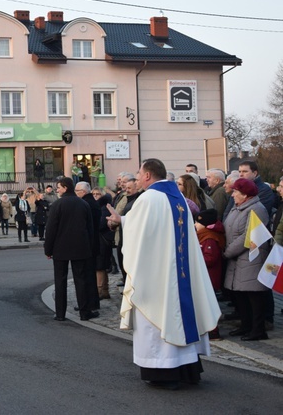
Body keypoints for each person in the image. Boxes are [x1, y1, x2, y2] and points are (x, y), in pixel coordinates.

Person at [106, 158, 220, 390]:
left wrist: (121, 223)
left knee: (156, 321)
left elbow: (141, 232)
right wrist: (125, 219)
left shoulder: (148, 198)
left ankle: (164, 372)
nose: (137, 178)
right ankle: (188, 370)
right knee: (179, 316)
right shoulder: (177, 197)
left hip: (158, 275)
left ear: (148, 175)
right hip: (180, 273)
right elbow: (155, 226)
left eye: (139, 173)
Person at [223, 178, 270, 341]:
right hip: (238, 259)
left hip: (250, 258)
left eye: (236, 191)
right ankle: (246, 326)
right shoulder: (237, 208)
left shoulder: (256, 209)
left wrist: (228, 251)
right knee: (241, 295)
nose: (233, 195)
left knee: (254, 296)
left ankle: (258, 330)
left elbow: (248, 236)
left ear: (245, 195)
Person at [45, 177, 97, 321]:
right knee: (81, 280)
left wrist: (48, 249)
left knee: (60, 281)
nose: (57, 189)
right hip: (81, 248)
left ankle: (60, 313)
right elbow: (90, 228)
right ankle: (84, 312)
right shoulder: (83, 204)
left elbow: (51, 230)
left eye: (59, 187)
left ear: (66, 187)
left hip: (60, 248)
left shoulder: (57, 205)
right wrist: (90, 246)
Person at [195, 209, 224, 340]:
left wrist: (195, 259)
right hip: (205, 277)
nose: (195, 224)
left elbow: (210, 259)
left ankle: (213, 331)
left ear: (205, 224)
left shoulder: (209, 238)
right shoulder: (203, 235)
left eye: (197, 222)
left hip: (210, 278)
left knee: (209, 305)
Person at [75, 181, 101, 312]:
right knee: (89, 275)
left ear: (83, 192)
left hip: (89, 244)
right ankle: (92, 302)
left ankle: (89, 303)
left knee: (88, 276)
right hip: (93, 243)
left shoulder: (86, 204)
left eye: (77, 191)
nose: (75, 193)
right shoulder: (91, 202)